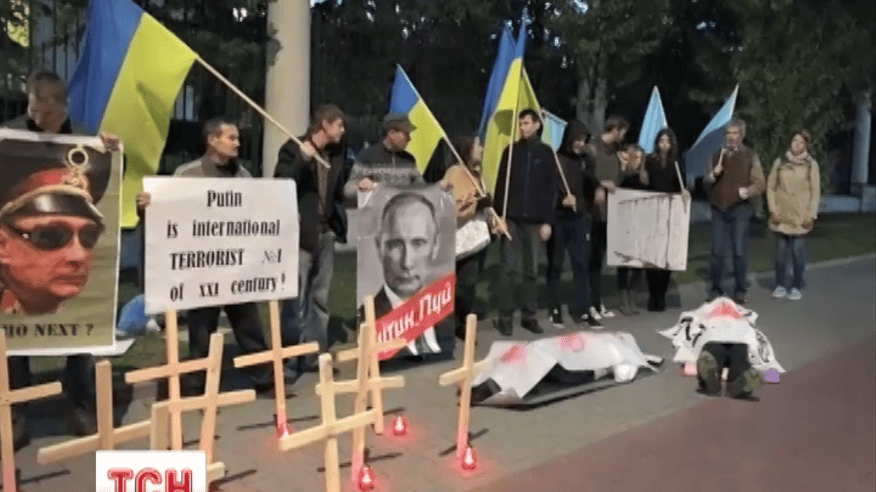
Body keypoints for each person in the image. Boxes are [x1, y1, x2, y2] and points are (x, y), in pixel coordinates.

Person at [1, 68, 119, 447]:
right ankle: (15, 413)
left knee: (80, 327)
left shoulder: (85, 138)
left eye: (50, 104)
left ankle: (80, 403)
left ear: (62, 103)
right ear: (28, 100)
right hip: (16, 249)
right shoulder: (9, 137)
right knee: (13, 341)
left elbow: (112, 181)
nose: (43, 113)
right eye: (36, 104)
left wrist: (109, 150)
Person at [137, 117, 272, 393]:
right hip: (201, 271)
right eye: (231, 137)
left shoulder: (243, 176)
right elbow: (169, 213)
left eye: (238, 138)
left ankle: (266, 381)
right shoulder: (188, 174)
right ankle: (198, 388)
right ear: (212, 140)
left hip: (236, 268)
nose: (237, 143)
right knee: (201, 333)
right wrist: (147, 207)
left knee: (249, 329)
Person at [273, 104, 349, 377]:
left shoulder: (335, 154)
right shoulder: (292, 148)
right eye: (339, 125)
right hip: (300, 235)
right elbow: (282, 184)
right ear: (324, 125)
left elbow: (338, 191)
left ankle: (314, 355)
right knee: (294, 300)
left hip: (326, 233)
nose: (342, 131)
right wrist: (302, 161)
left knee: (320, 299)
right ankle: (289, 359)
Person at [358, 192, 452, 356]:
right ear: (379, 247)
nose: (407, 263)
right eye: (396, 245)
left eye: (418, 243)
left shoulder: (448, 317)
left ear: (435, 245)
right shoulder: (366, 320)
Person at [493, 109, 558, 336]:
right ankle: (505, 317)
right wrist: (499, 216)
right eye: (520, 124)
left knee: (531, 271)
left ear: (537, 125)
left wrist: (548, 222)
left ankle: (529, 316)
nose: (523, 127)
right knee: (508, 269)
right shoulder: (511, 151)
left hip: (535, 221)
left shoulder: (546, 152)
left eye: (527, 123)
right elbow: (501, 185)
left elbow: (551, 190)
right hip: (512, 218)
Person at [442, 135, 504, 338]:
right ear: (467, 147)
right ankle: (458, 323)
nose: (481, 148)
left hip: (478, 238)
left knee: (470, 282)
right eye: (477, 145)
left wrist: (494, 222)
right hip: (460, 238)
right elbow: (454, 209)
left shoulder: (477, 174)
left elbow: (484, 204)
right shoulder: (455, 173)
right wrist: (476, 205)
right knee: (463, 283)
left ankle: (463, 321)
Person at [546, 120, 603, 329]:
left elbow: (590, 185)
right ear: (569, 138)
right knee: (556, 265)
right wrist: (559, 201)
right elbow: (547, 190)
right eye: (577, 139)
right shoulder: (556, 160)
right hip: (558, 219)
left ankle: (583, 310)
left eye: (583, 140)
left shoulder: (585, 161)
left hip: (578, 218)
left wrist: (597, 190)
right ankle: (554, 308)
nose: (580, 144)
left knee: (581, 265)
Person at [704, 119, 766, 304]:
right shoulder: (716, 155)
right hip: (718, 208)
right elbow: (706, 181)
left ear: (742, 136)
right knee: (717, 251)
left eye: (735, 133)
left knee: (739, 250)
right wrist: (712, 175)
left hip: (740, 208)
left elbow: (760, 183)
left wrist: (748, 191)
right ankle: (716, 288)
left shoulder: (750, 156)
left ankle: (740, 290)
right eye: (728, 133)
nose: (731, 137)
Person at [766, 130, 820, 301]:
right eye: (795, 140)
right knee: (780, 255)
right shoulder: (780, 162)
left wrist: (811, 215)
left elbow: (815, 192)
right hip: (781, 215)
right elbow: (771, 187)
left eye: (801, 142)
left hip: (800, 217)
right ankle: (780, 284)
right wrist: (773, 210)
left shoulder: (811, 165)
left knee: (797, 252)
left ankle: (796, 285)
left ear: (806, 146)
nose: (797, 144)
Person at [586, 115, 630, 320]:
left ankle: (597, 301)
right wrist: (600, 185)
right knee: (591, 259)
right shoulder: (593, 148)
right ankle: (589, 302)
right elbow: (587, 174)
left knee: (600, 260)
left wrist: (623, 167)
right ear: (615, 130)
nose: (623, 137)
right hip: (592, 211)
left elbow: (617, 183)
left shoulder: (615, 152)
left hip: (608, 213)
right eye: (623, 132)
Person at [644, 128, 688, 311]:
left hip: (670, 211)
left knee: (666, 254)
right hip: (652, 210)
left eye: (667, 141)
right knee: (651, 255)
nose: (664, 144)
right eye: (661, 140)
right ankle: (652, 293)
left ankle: (661, 293)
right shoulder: (650, 161)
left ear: (672, 144)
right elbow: (644, 183)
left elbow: (682, 185)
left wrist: (685, 192)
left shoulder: (677, 162)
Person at [344, 113, 423, 202]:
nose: (409, 139)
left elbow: (421, 187)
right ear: (392, 133)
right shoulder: (368, 157)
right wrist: (360, 187)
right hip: (377, 210)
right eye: (406, 134)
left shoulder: (409, 160)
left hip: (402, 209)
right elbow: (348, 190)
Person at [614, 143, 648, 316]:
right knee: (624, 263)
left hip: (639, 223)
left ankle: (632, 298)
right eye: (636, 158)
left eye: (640, 158)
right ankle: (623, 299)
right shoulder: (624, 176)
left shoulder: (643, 178)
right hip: (624, 222)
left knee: (638, 263)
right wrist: (622, 167)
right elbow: (616, 189)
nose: (638, 161)